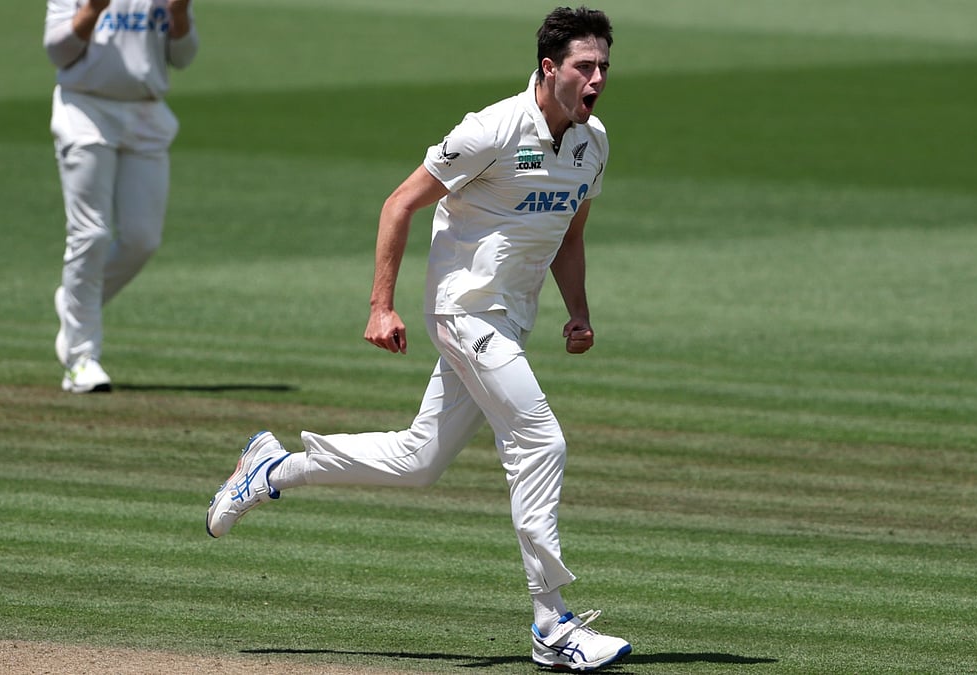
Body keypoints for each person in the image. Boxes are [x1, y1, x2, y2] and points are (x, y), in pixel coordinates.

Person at [206, 6, 631, 671]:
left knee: (418, 459)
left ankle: (270, 468)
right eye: (586, 66)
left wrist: (577, 312)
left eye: (605, 66)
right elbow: (400, 202)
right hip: (464, 313)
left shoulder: (592, 142)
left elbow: (569, 236)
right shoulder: (489, 128)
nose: (599, 78)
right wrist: (381, 306)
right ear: (550, 69)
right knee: (541, 440)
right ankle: (553, 622)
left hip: (508, 321)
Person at [43, 0, 199, 393]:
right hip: (85, 108)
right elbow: (57, 51)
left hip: (146, 113)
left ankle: (75, 300)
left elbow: (184, 56)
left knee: (141, 238)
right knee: (90, 233)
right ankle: (80, 359)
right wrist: (93, 9)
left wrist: (179, 15)